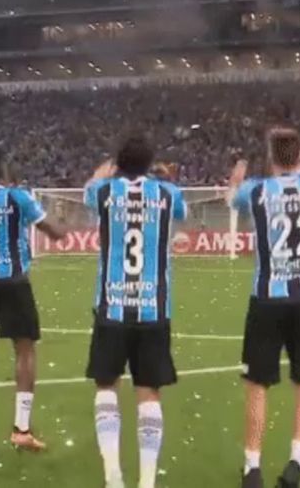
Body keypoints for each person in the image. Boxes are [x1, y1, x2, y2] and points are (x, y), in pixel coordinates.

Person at [83, 135, 188, 488]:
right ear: (149, 163)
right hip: (153, 309)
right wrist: (159, 176)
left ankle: (112, 473)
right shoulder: (167, 194)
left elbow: (92, 183)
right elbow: (182, 211)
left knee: (106, 386)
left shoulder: (103, 192)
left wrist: (109, 169)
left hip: (112, 307)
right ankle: (146, 482)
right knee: (148, 391)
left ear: (118, 163)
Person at [228, 127, 300, 488]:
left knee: (257, 384)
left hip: (267, 298)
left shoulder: (254, 191)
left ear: (269, 156)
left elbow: (232, 199)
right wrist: (293, 154)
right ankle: (296, 463)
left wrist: (235, 179)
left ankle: (252, 468)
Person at [0, 147, 65, 451]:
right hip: (13, 281)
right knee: (25, 351)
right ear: (2, 169)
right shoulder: (18, 198)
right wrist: (61, 219)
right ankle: (21, 430)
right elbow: (53, 232)